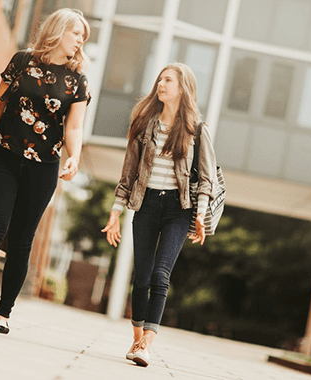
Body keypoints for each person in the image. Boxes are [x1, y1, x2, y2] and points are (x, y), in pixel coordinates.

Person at [0, 8, 91, 334]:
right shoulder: (22, 61)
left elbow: (73, 128)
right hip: (3, 155)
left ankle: (3, 313)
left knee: (21, 240)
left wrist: (73, 157)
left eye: (83, 38)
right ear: (59, 30)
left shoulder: (77, 81)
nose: (80, 41)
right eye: (76, 33)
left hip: (43, 168)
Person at [101, 63, 218, 367]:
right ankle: (137, 338)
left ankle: (147, 343)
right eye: (160, 79)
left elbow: (207, 178)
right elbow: (128, 175)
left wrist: (201, 214)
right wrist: (115, 213)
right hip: (147, 205)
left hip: (178, 211)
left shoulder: (196, 129)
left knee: (160, 274)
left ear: (183, 88)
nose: (160, 84)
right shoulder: (144, 125)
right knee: (141, 278)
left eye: (168, 80)